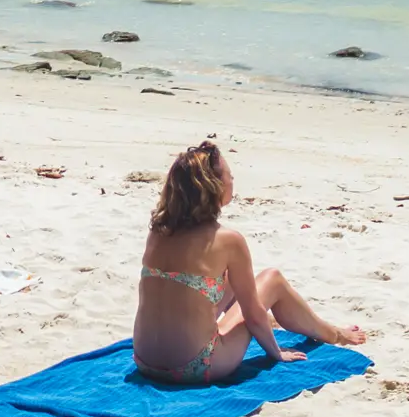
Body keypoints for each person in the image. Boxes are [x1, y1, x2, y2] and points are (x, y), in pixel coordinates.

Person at [132, 140, 367, 385]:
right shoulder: (228, 240)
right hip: (194, 367)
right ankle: (333, 333)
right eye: (230, 176)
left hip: (145, 362)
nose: (233, 181)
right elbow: (253, 313)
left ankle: (284, 319)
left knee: (225, 282)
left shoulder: (159, 232)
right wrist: (276, 353)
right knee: (271, 280)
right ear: (215, 186)